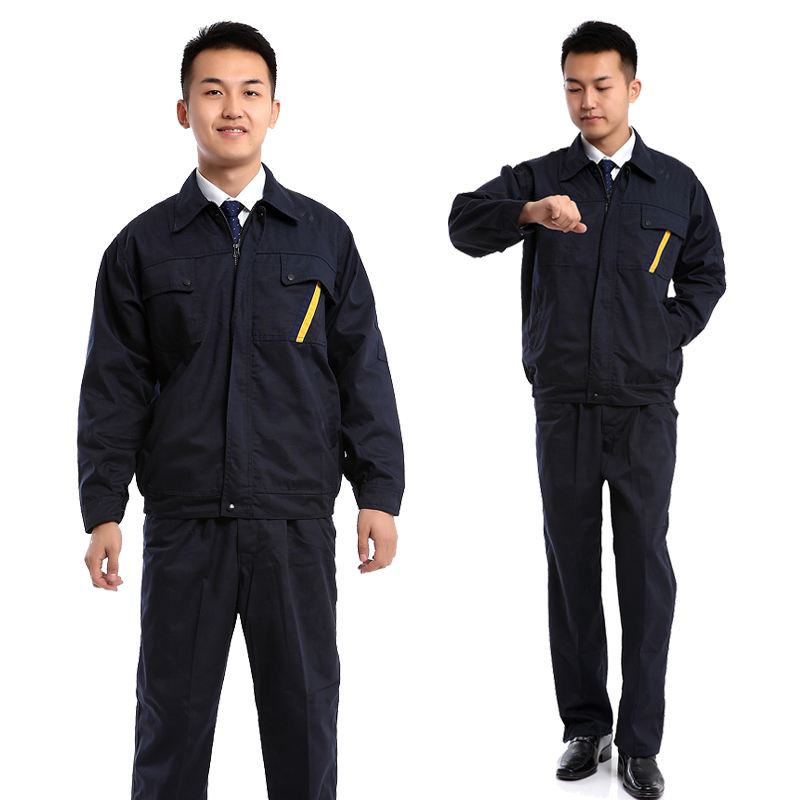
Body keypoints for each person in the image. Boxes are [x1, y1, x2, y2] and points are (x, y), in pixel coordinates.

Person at [77, 21, 404, 800]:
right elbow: (114, 386)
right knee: (170, 728)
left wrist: (379, 492)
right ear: (183, 109)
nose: (232, 108)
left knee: (304, 723)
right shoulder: (142, 246)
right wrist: (103, 509)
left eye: (250, 92)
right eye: (213, 91)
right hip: (185, 523)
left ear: (275, 110)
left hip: (292, 521)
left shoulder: (323, 238)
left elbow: (361, 369)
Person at [448, 20, 724, 800]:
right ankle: (584, 725)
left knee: (644, 572)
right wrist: (530, 213)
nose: (587, 101)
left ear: (632, 88)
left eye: (602, 86)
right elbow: (462, 223)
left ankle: (640, 743)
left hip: (642, 408)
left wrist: (659, 338)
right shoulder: (542, 176)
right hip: (563, 405)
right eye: (574, 86)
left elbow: (707, 275)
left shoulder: (675, 185)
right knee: (571, 569)